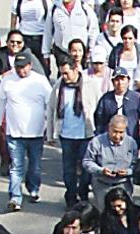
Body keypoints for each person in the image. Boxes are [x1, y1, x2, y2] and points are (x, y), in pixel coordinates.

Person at [0, 55, 51, 212]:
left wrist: (49, 128)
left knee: (35, 166)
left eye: (24, 67)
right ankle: (15, 197)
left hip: (36, 133)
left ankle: (33, 188)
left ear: (30, 65)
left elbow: (50, 104)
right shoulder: (7, 81)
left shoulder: (40, 81)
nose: (21, 70)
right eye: (18, 67)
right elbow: (0, 103)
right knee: (16, 166)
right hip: (14, 133)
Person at [45, 58, 100, 207]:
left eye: (67, 73)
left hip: (86, 134)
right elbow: (51, 110)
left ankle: (83, 195)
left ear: (76, 69)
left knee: (86, 168)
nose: (64, 77)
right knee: (68, 169)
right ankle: (70, 196)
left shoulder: (90, 84)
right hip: (66, 135)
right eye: (62, 73)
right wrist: (50, 134)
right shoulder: (59, 86)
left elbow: (98, 107)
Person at [93, 68, 140, 147]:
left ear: (128, 81)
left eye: (122, 79)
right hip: (108, 143)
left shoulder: (136, 98)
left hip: (131, 141)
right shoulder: (106, 99)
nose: (120, 83)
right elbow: (99, 120)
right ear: (113, 82)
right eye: (117, 80)